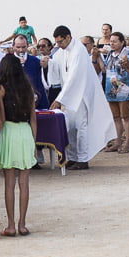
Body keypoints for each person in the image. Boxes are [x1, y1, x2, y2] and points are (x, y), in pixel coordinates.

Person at [50, 26, 116, 170]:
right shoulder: (63, 50)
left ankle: (83, 159)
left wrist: (59, 99)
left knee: (81, 127)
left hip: (80, 95)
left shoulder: (79, 50)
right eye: (57, 43)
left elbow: (74, 76)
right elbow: (55, 65)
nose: (59, 45)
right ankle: (73, 157)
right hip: (70, 96)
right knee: (71, 128)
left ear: (68, 37)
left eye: (61, 41)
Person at [0, 55, 38, 236]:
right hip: (25, 132)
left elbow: (1, 120)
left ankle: (11, 224)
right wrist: (34, 142)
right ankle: (22, 224)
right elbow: (33, 120)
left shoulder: (0, 90)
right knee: (24, 183)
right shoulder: (27, 88)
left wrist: (0, 98)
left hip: (9, 132)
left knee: (9, 184)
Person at [103, 32, 129, 153]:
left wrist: (127, 63)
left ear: (122, 42)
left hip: (124, 89)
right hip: (111, 88)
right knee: (116, 117)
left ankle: (128, 142)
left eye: (115, 41)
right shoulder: (110, 54)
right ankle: (117, 141)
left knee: (126, 116)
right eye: (111, 41)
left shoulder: (128, 53)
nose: (112, 43)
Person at [12, 35, 49, 109]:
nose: (21, 50)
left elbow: (42, 82)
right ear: (13, 46)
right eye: (18, 47)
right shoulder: (7, 62)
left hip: (35, 102)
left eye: (23, 47)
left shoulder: (35, 61)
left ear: (28, 46)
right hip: (15, 103)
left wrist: (45, 67)